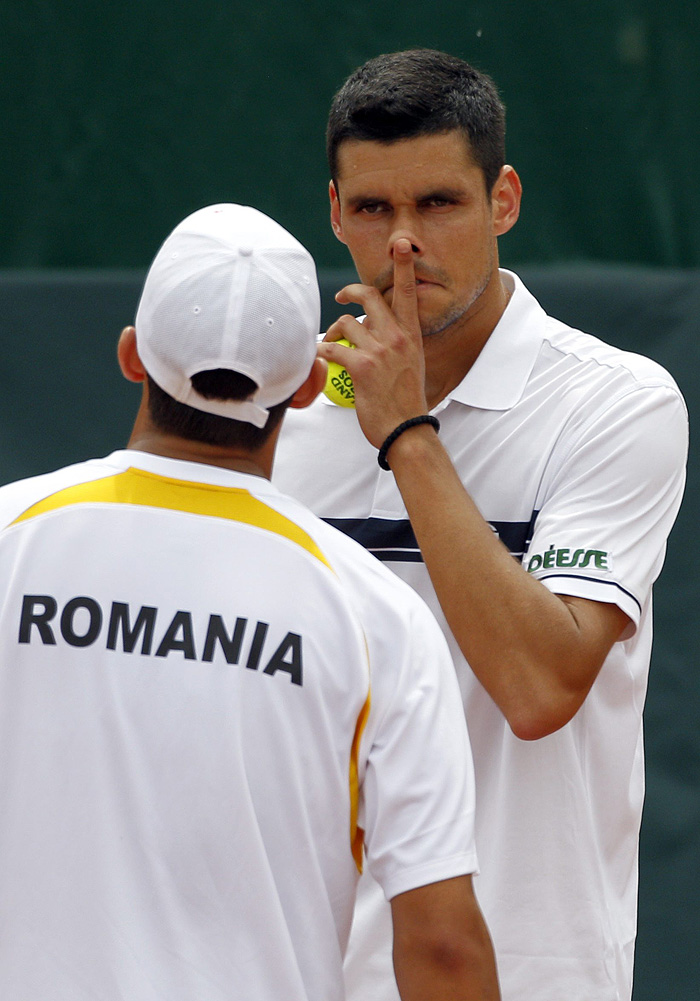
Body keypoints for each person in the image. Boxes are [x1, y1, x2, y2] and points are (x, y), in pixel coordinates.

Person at [0, 203, 501, 1000]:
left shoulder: (11, 539)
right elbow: (442, 947)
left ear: (132, 356)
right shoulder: (376, 614)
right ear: (307, 387)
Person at [273, 49, 689, 1001]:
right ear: (336, 214)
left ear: (503, 200)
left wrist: (406, 435)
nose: (404, 243)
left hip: (535, 972)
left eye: (440, 203)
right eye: (374, 210)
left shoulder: (616, 403)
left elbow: (539, 686)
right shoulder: (285, 410)